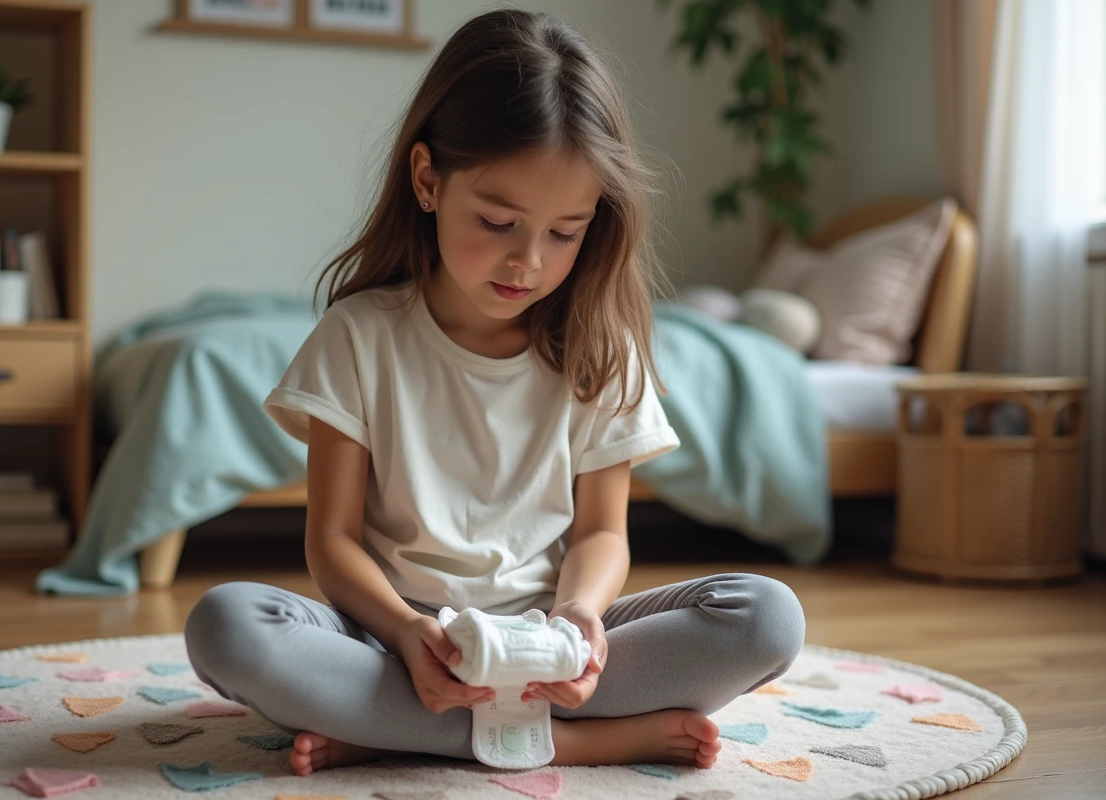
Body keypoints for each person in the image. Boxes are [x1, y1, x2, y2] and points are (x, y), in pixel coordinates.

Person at [184, 8, 805, 777]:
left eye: (565, 232)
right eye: (499, 220)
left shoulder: (600, 351)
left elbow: (601, 536)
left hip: (547, 644)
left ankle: (391, 736)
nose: (529, 262)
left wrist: (579, 620)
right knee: (229, 625)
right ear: (427, 180)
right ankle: (577, 742)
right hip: (387, 641)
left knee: (767, 617)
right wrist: (410, 635)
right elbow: (334, 541)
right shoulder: (359, 337)